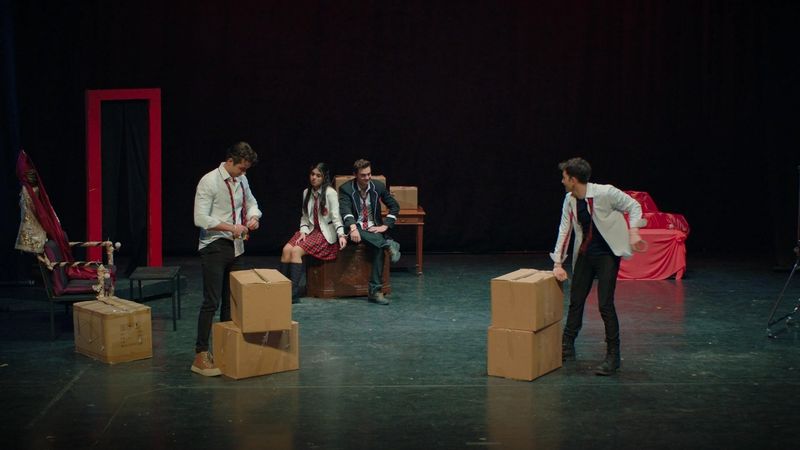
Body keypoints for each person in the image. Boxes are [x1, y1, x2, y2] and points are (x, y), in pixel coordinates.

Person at [550, 157, 647, 376]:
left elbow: (634, 206)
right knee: (576, 300)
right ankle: (567, 346)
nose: (562, 181)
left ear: (573, 179)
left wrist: (634, 231)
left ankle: (613, 356)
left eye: (564, 177)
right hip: (585, 254)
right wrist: (558, 262)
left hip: (607, 255)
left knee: (605, 304)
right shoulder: (570, 200)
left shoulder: (605, 193)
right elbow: (565, 229)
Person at [191, 142, 262, 376]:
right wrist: (232, 227)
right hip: (214, 246)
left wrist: (253, 217)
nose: (244, 173)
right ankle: (200, 354)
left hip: (236, 247)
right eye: (241, 168)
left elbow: (251, 202)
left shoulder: (241, 179)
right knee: (212, 302)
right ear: (230, 161)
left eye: (246, 170)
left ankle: (226, 349)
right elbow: (200, 218)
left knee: (231, 301)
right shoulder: (209, 181)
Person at [279, 163, 348, 303]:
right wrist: (303, 231)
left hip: (324, 234)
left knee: (296, 251)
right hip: (310, 230)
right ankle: (281, 290)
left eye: (318, 175)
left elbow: (336, 217)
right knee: (286, 249)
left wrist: (341, 235)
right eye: (312, 174)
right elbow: (304, 217)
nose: (314, 178)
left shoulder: (330, 193)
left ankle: (293, 294)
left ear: (324, 177)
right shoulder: (307, 192)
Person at [339, 159, 401, 305]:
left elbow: (394, 206)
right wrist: (353, 227)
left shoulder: (378, 186)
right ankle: (388, 244)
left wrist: (385, 226)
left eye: (369, 174)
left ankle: (374, 292)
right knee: (379, 244)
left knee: (378, 248)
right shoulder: (346, 189)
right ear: (355, 175)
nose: (367, 178)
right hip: (356, 228)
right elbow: (345, 211)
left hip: (373, 228)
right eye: (363, 175)